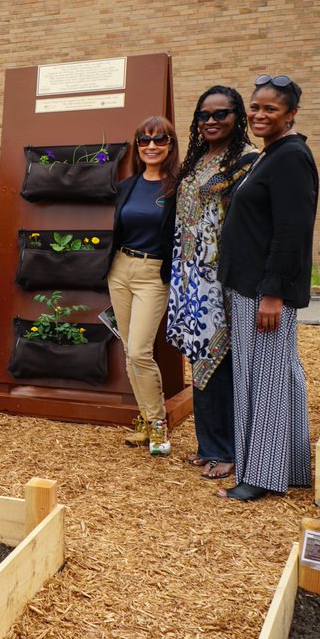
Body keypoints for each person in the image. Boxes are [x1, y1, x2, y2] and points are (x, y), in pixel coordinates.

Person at [217, 74, 317, 502]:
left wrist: (274, 292)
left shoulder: (291, 157)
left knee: (268, 380)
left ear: (290, 114)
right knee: (277, 375)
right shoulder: (269, 154)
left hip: (264, 290)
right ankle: (289, 465)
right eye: (255, 107)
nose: (259, 115)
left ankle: (260, 477)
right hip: (248, 285)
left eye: (270, 109)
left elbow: (292, 231)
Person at [167, 87, 257, 481]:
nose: (211, 121)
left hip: (219, 276)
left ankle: (230, 449)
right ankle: (208, 446)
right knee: (199, 360)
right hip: (188, 274)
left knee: (220, 360)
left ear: (237, 117)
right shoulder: (197, 160)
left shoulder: (247, 161)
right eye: (204, 115)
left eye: (221, 114)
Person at [105, 116, 179, 456]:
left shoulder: (178, 187)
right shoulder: (128, 186)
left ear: (170, 145)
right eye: (144, 141)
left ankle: (158, 423)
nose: (151, 146)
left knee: (139, 351)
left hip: (153, 274)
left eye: (159, 140)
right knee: (128, 352)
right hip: (120, 270)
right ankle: (146, 421)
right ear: (137, 147)